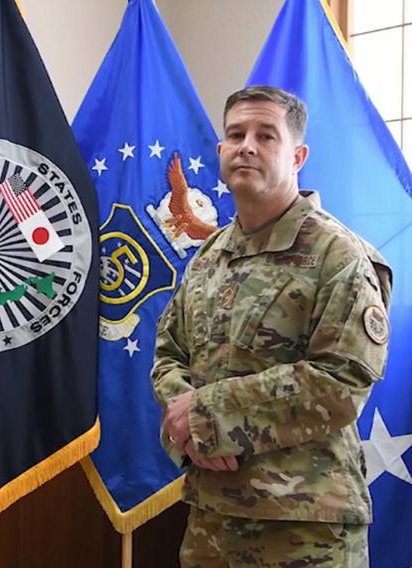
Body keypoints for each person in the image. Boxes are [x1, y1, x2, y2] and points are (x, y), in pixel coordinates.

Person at [152, 86, 392, 567]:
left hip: (305, 532)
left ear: (297, 155)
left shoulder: (337, 255)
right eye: (236, 134)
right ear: (220, 151)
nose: (247, 145)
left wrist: (210, 417)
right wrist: (191, 430)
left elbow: (341, 382)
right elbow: (168, 356)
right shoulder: (209, 257)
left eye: (266, 135)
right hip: (211, 522)